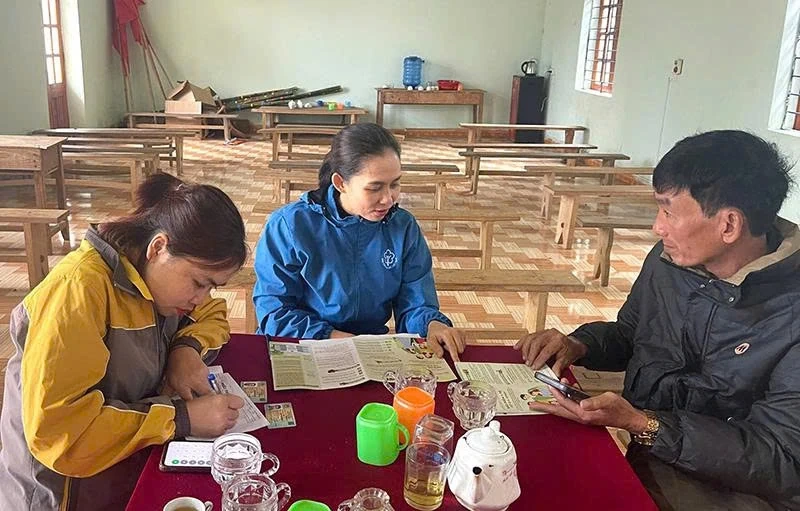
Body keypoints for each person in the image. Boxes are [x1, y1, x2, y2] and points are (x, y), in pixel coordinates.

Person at [514, 130, 800, 510]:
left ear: (728, 225)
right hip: (653, 453)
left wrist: (646, 424)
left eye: (668, 211)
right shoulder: (672, 262)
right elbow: (634, 334)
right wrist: (579, 344)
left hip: (737, 493)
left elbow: (779, 457)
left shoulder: (790, 312)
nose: (657, 227)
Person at [0, 174, 249, 510]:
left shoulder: (148, 278)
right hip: (63, 492)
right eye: (198, 282)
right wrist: (182, 418)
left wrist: (185, 349)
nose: (201, 299)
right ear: (158, 247)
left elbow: (212, 314)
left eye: (211, 287)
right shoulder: (78, 291)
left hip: (117, 465)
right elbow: (60, 434)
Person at [253, 122, 466, 360]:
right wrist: (333, 338)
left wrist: (431, 324)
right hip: (305, 344)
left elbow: (416, 301)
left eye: (395, 184)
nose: (388, 199)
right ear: (340, 183)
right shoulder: (290, 226)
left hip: (369, 347)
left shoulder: (403, 227)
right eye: (374, 188)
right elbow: (275, 311)